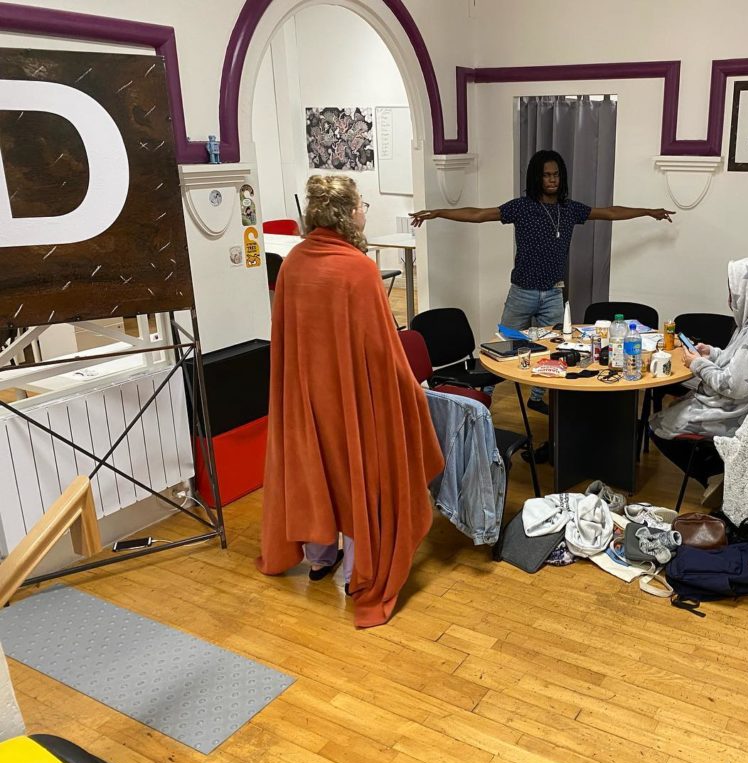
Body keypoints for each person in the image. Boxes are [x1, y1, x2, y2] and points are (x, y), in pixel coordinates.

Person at [256, 174, 444, 629]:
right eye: (360, 205)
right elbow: (382, 348)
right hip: (350, 400)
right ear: (345, 213)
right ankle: (359, 571)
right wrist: (410, 392)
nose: (364, 212)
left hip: (306, 397)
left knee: (315, 469)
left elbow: (286, 340)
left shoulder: (293, 264)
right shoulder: (357, 268)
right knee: (358, 475)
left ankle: (320, 559)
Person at [410, 149, 674, 414]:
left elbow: (609, 212)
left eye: (556, 175)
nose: (552, 180)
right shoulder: (522, 207)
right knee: (502, 346)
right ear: (537, 178)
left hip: (553, 294)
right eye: (547, 175)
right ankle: (483, 398)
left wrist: (647, 212)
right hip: (522, 293)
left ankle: (537, 397)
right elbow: (480, 215)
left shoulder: (569, 210)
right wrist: (438, 212)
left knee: (555, 348)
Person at [650, 257, 748, 441]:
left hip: (731, 416)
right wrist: (711, 353)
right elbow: (740, 363)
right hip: (742, 408)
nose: (729, 301)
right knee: (676, 405)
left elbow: (731, 385)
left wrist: (698, 364)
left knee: (659, 422)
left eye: (733, 294)